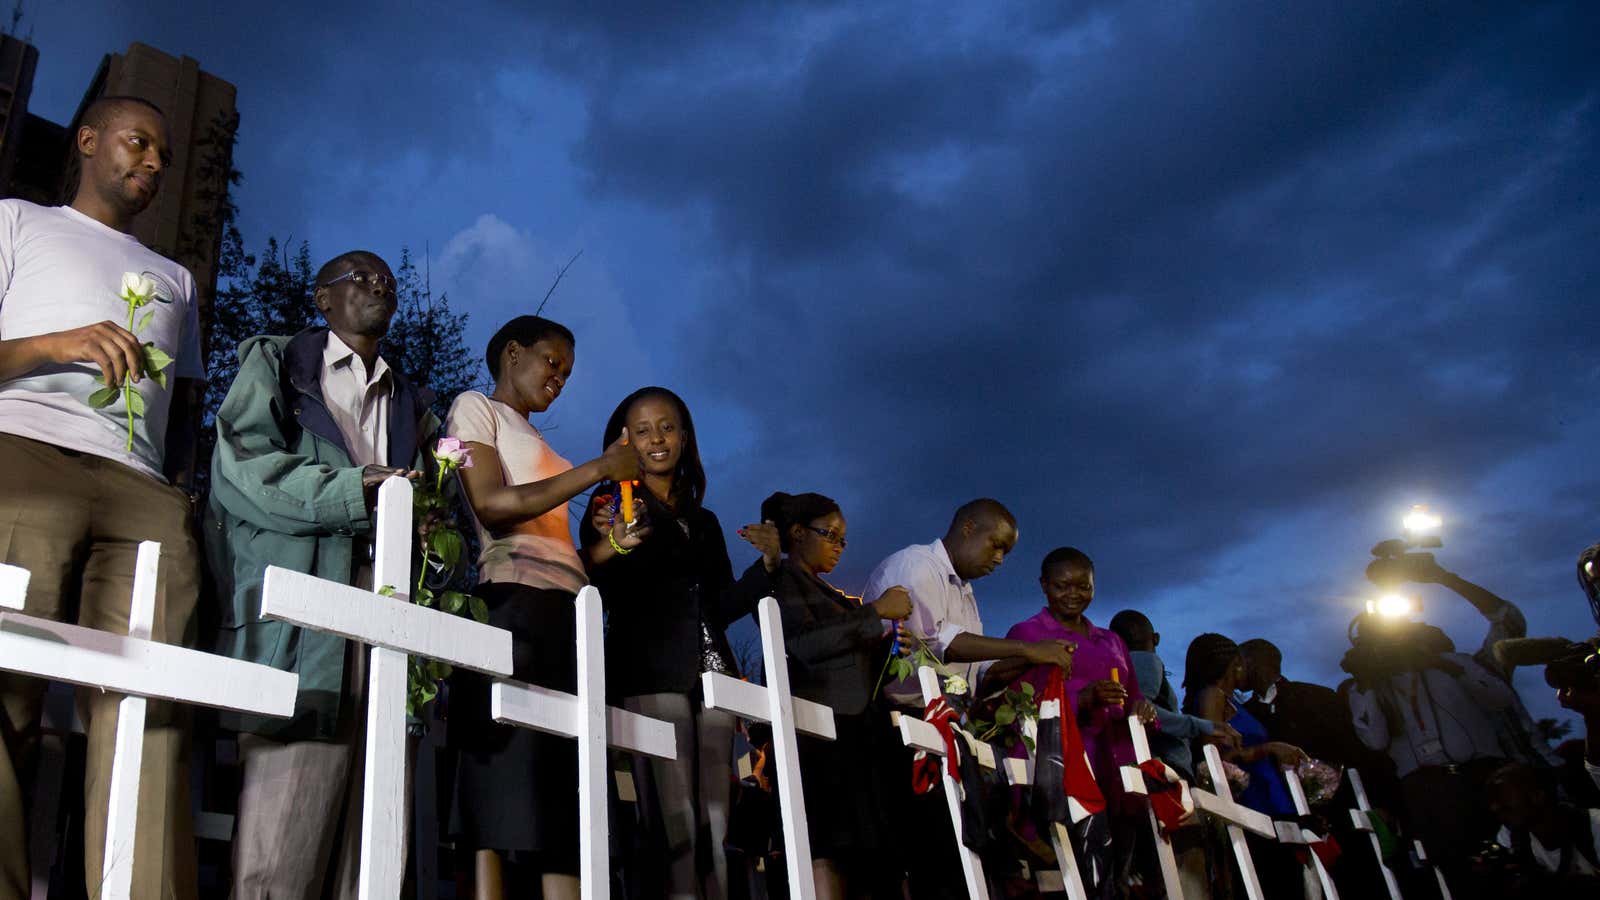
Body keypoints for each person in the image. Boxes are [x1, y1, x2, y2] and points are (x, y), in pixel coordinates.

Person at [0, 95, 205, 899]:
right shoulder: (18, 221)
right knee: (6, 688)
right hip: (23, 455)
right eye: (138, 143)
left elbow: (184, 408)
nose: (154, 162)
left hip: (142, 489)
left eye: (164, 154)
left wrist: (180, 491)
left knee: (147, 707)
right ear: (88, 141)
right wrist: (60, 343)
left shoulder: (177, 279)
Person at [208, 250, 436, 899]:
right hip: (306, 608)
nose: (378, 285)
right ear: (322, 298)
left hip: (389, 604)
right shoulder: (279, 362)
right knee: (284, 835)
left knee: (372, 836)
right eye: (359, 276)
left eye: (387, 280)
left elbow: (442, 508)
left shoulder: (413, 402)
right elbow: (243, 469)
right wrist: (356, 489)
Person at [446, 315, 639, 900]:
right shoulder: (473, 409)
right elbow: (494, 504)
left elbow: (559, 542)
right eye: (552, 362)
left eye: (569, 373)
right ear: (512, 352)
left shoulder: (542, 444)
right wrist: (599, 469)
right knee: (504, 771)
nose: (560, 378)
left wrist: (611, 546)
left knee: (562, 779)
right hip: (513, 601)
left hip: (568, 610)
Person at [578, 386, 769, 898]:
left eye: (667, 426)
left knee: (716, 821)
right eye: (642, 430)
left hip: (715, 680)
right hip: (650, 670)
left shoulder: (704, 521)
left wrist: (768, 566)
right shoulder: (609, 503)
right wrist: (612, 541)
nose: (657, 438)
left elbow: (724, 605)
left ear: (685, 436)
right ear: (624, 440)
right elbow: (594, 582)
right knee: (671, 819)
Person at [863, 499, 1073, 898]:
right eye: (995, 545)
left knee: (958, 854)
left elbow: (976, 675)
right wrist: (1027, 649)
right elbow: (939, 644)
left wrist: (1035, 663)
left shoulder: (965, 592)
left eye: (1006, 553)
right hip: (898, 724)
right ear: (967, 528)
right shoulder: (918, 565)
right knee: (925, 854)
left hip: (945, 727)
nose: (999, 559)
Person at [752, 490, 912, 899]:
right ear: (798, 533)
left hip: (860, 736)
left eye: (844, 539)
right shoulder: (784, 580)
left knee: (872, 857)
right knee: (830, 847)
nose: (839, 546)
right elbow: (805, 643)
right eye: (831, 534)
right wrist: (875, 613)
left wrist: (884, 647)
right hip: (823, 739)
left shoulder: (836, 597)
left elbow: (848, 660)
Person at [1004, 549, 1156, 892]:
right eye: (1062, 586)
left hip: (1114, 759)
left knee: (1116, 870)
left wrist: (1142, 708)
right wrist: (1083, 698)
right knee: (1074, 869)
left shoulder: (1112, 640)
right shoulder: (1027, 633)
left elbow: (1133, 694)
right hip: (1065, 763)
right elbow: (1017, 700)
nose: (1073, 594)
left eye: (1083, 586)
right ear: (1044, 585)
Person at [1341, 613, 1515, 900]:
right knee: (1460, 874)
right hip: (1428, 792)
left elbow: (1500, 699)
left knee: (1509, 862)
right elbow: (1374, 740)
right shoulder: (1364, 688)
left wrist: (1441, 663)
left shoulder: (1453, 663)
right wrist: (1367, 682)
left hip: (1481, 777)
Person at [1368, 552, 1560, 768]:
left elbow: (1508, 619)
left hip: (1534, 771)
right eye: (1410, 635)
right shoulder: (1391, 690)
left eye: (1426, 631)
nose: (1420, 634)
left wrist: (1444, 577)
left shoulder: (1482, 666)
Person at [1109, 611, 1238, 899]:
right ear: (1155, 638)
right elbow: (1146, 711)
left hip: (1141, 779)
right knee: (1185, 873)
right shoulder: (1145, 659)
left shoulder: (1118, 666)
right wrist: (1202, 725)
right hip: (1166, 777)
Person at [1184, 633, 1308, 899]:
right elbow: (1212, 759)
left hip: (1271, 799)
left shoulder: (1235, 702)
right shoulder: (1211, 696)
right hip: (1251, 805)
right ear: (1233, 665)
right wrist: (1269, 748)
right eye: (1242, 662)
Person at [1239, 638, 1370, 769]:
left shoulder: (1318, 697)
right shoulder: (1244, 713)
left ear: (1257, 665)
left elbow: (1351, 751)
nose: (1234, 670)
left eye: (1239, 663)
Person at [1481, 762, 1600, 896]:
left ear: (1537, 796)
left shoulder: (1593, 825)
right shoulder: (1512, 834)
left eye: (1503, 798)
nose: (1494, 807)